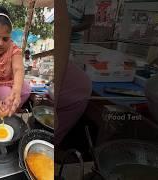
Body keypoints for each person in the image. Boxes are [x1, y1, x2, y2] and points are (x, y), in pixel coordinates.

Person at [56, 0, 92, 145]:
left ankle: (55, 144)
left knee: (82, 85)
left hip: (74, 47)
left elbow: (63, 29)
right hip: (64, 48)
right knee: (82, 86)